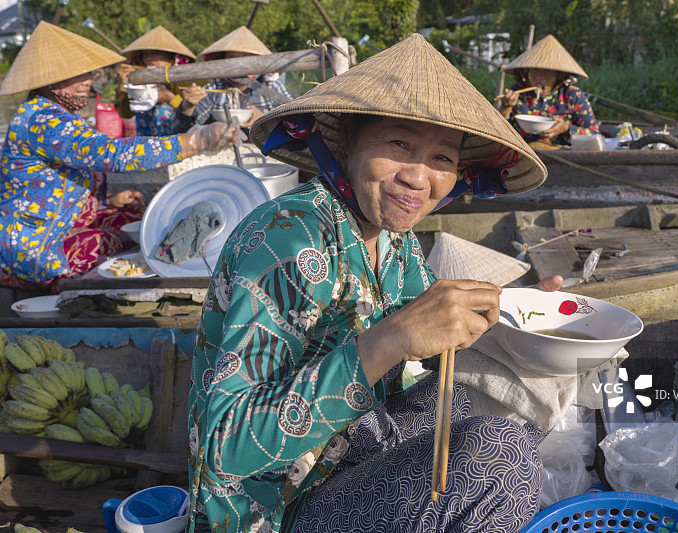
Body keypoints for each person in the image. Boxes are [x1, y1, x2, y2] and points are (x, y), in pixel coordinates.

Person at [187, 33, 563, 533]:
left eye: (443, 159)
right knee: (502, 454)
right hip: (271, 506)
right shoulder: (285, 241)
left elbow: (426, 330)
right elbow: (226, 445)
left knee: (479, 398)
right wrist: (389, 340)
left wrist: (513, 314)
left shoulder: (394, 237)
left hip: (344, 452)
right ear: (347, 144)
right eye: (399, 143)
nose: (418, 177)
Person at [0, 22, 239, 289]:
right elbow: (113, 154)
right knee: (124, 242)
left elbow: (71, 175)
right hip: (34, 244)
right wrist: (196, 141)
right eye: (77, 76)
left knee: (143, 223)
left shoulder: (58, 115)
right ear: (49, 81)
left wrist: (108, 201)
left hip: (64, 224)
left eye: (88, 74)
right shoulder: (43, 120)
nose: (87, 82)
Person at [173, 26, 294, 132]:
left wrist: (266, 120)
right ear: (223, 61)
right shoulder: (214, 88)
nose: (238, 65)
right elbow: (184, 130)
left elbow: (296, 120)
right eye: (232, 58)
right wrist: (188, 106)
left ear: (258, 62)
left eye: (245, 58)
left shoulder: (271, 86)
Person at [498, 34, 599, 148]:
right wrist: (505, 108)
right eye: (535, 70)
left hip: (562, 156)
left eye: (546, 71)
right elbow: (497, 133)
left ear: (558, 75)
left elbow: (595, 135)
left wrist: (566, 129)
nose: (539, 77)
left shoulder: (573, 95)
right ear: (527, 72)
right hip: (523, 154)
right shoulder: (516, 93)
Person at [114, 25, 204, 136]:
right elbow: (125, 113)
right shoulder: (143, 78)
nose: (149, 58)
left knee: (162, 109)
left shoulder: (187, 77)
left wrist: (170, 98)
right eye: (146, 54)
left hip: (184, 137)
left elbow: (202, 117)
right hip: (148, 139)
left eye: (155, 53)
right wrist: (122, 83)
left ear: (170, 55)